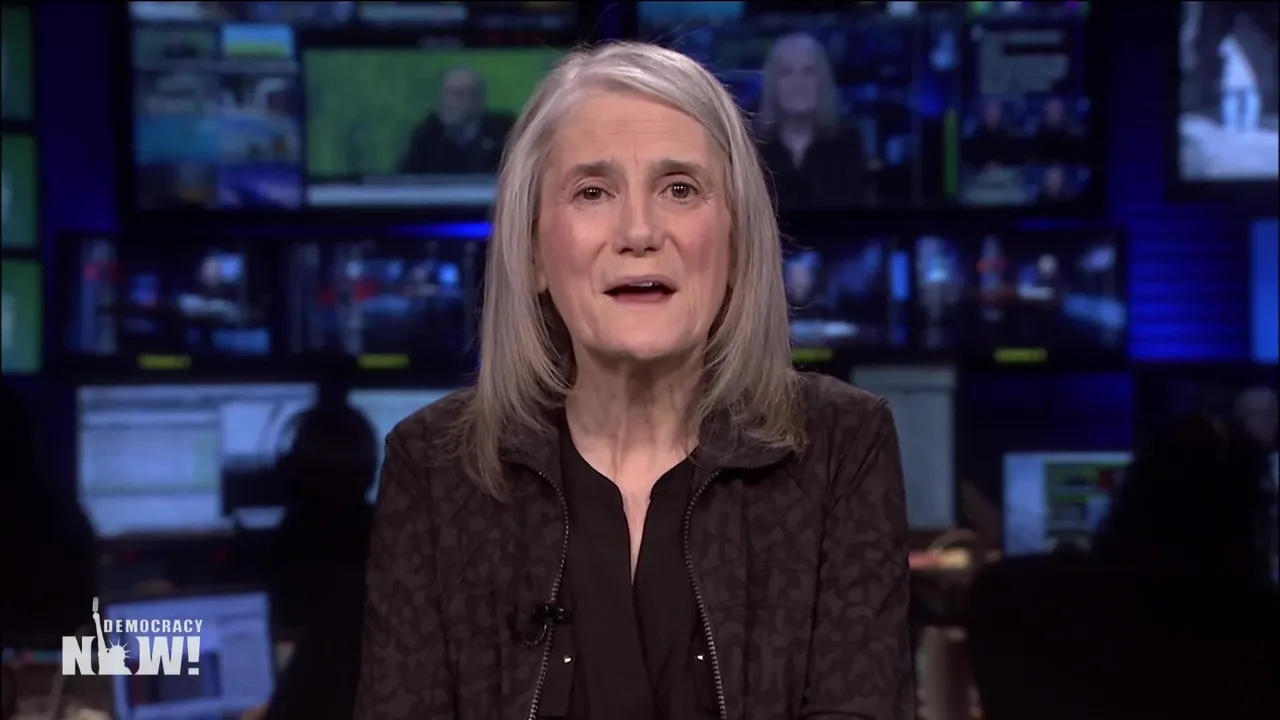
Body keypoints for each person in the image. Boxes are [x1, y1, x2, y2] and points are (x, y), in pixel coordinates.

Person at [355, 41, 913, 720]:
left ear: (736, 243)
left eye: (680, 189)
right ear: (533, 252)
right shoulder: (437, 466)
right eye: (593, 192)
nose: (640, 232)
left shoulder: (838, 447)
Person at [754, 33, 870, 209]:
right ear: (773, 84)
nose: (798, 83)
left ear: (822, 82)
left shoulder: (847, 145)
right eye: (787, 72)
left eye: (808, 72)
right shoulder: (754, 147)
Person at [397, 67, 516, 175]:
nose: (447, 103)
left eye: (458, 95)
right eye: (445, 94)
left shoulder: (503, 133)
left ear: (478, 102)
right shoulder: (427, 135)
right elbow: (405, 180)